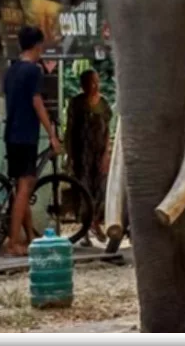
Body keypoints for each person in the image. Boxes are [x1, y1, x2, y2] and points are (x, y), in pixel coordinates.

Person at [2, 26, 62, 256]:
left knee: (21, 188)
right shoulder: (33, 71)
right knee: (25, 187)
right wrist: (52, 133)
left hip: (11, 134)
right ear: (37, 45)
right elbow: (37, 103)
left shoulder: (12, 70)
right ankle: (13, 242)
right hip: (26, 135)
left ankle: (26, 236)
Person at [65, 69, 114, 243]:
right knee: (83, 189)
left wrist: (106, 155)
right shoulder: (76, 103)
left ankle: (95, 223)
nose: (94, 86)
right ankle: (86, 228)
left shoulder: (104, 104)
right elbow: (70, 130)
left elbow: (108, 131)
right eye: (89, 82)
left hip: (99, 154)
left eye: (96, 82)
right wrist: (69, 155)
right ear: (82, 85)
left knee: (100, 189)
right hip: (81, 155)